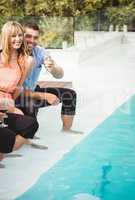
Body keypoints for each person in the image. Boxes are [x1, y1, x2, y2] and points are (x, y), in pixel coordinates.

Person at [16, 22, 81, 133]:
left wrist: (53, 69)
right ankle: (26, 136)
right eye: (28, 36)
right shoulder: (14, 54)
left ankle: (66, 131)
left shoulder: (40, 51)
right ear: (21, 36)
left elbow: (60, 75)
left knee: (70, 95)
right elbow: (17, 91)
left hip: (33, 91)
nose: (32, 40)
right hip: (17, 96)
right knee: (30, 105)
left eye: (35, 37)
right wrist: (45, 95)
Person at [0, 21, 45, 167]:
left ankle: (4, 148)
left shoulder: (26, 61)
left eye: (20, 35)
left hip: (7, 101)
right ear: (6, 37)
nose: (18, 39)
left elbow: (18, 86)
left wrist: (10, 105)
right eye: (13, 36)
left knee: (30, 124)